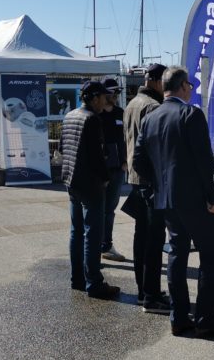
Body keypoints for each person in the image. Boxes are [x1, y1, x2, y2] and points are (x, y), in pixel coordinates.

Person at [134, 66, 214, 337]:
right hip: (196, 200)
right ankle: (205, 319)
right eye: (189, 85)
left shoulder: (150, 118)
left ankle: (178, 317)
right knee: (209, 258)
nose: (191, 89)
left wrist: (159, 182)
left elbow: (138, 161)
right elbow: (205, 161)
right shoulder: (191, 114)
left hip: (166, 199)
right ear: (182, 86)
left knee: (177, 255)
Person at [60, 81, 120, 299]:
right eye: (103, 97)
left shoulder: (70, 116)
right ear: (94, 98)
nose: (106, 100)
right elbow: (97, 155)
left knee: (76, 232)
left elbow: (62, 147)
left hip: (71, 180)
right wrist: (105, 178)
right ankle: (94, 283)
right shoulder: (92, 119)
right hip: (90, 183)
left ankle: (77, 279)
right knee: (92, 234)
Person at [123, 63, 170, 313]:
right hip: (151, 181)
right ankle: (151, 295)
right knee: (153, 239)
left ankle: (144, 290)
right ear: (156, 81)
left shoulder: (132, 103)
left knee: (141, 237)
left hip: (135, 177)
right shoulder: (153, 106)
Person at [99, 78, 127, 263]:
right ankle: (94, 247)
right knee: (97, 209)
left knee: (109, 209)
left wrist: (126, 161)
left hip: (118, 169)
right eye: (113, 92)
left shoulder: (120, 113)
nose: (116, 95)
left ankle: (106, 245)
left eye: (118, 92)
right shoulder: (96, 114)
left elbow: (127, 138)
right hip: (99, 170)